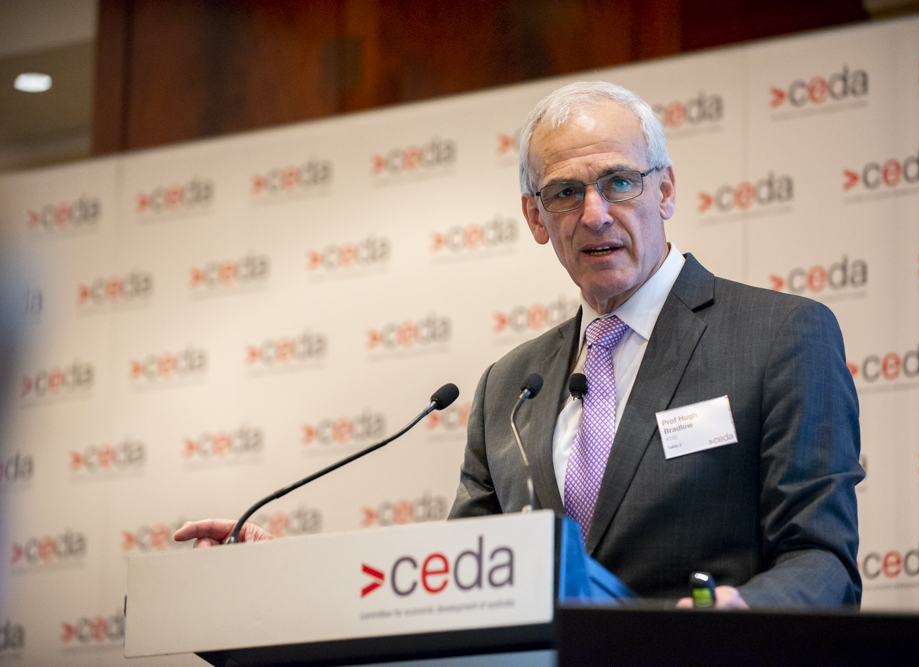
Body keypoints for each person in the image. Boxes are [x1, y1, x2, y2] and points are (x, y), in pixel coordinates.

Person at [176, 81, 863, 609]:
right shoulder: (509, 386)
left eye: (620, 182)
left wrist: (744, 614)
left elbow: (822, 558)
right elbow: (450, 585)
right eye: (565, 192)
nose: (595, 213)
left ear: (665, 190)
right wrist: (286, 574)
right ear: (536, 217)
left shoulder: (779, 336)